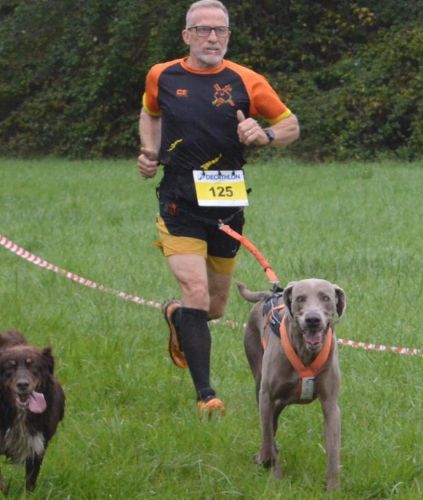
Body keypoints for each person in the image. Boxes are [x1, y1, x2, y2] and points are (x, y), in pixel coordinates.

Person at [137, 0, 299, 416]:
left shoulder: (247, 81)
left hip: (227, 204)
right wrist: (149, 150)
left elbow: (290, 125)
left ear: (228, 35)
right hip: (178, 201)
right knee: (195, 290)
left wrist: (263, 135)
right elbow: (150, 113)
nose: (212, 38)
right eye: (203, 30)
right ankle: (206, 396)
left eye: (220, 30)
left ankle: (178, 317)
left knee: (213, 307)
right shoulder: (162, 75)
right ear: (186, 36)